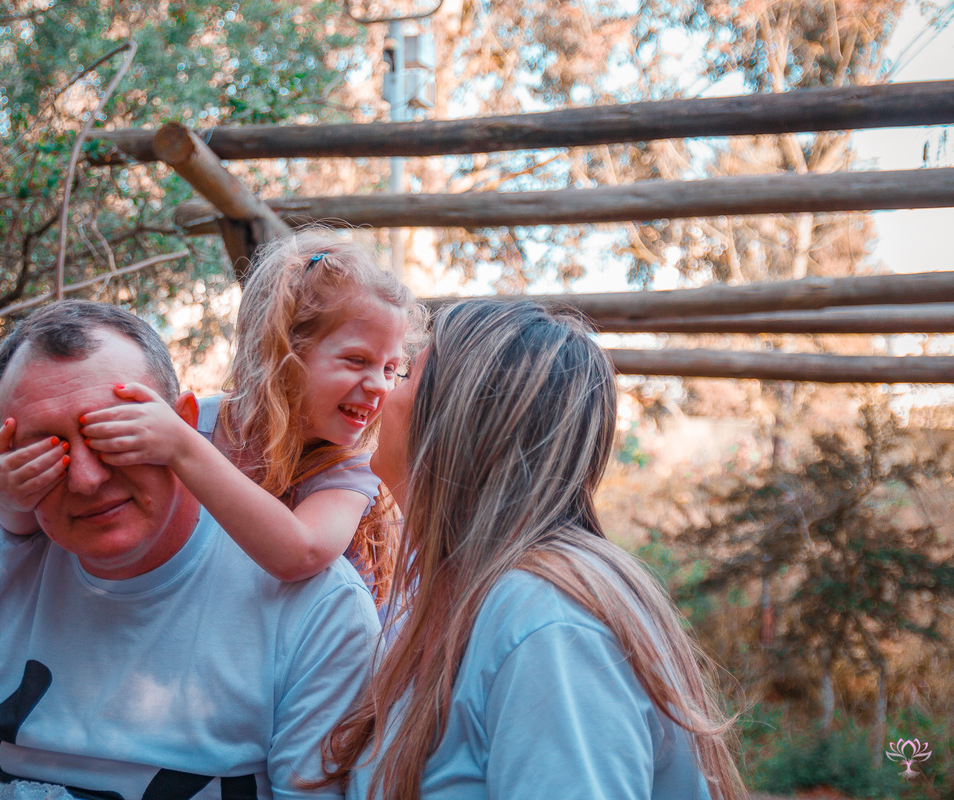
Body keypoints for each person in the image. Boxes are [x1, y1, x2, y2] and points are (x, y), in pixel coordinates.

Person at [0, 300, 380, 800]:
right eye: (43, 451)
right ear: (3, 459)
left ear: (182, 426)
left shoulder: (316, 610)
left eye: (112, 436)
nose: (84, 478)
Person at [317, 299, 747, 800]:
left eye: (407, 373)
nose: (384, 390)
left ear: (458, 418)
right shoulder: (453, 598)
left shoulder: (546, 625)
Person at [0, 232, 420, 601]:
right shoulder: (207, 421)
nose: (381, 385)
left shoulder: (347, 468)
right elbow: (88, 496)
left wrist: (183, 448)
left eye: (389, 368)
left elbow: (301, 553)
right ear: (284, 354)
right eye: (356, 360)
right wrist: (10, 504)